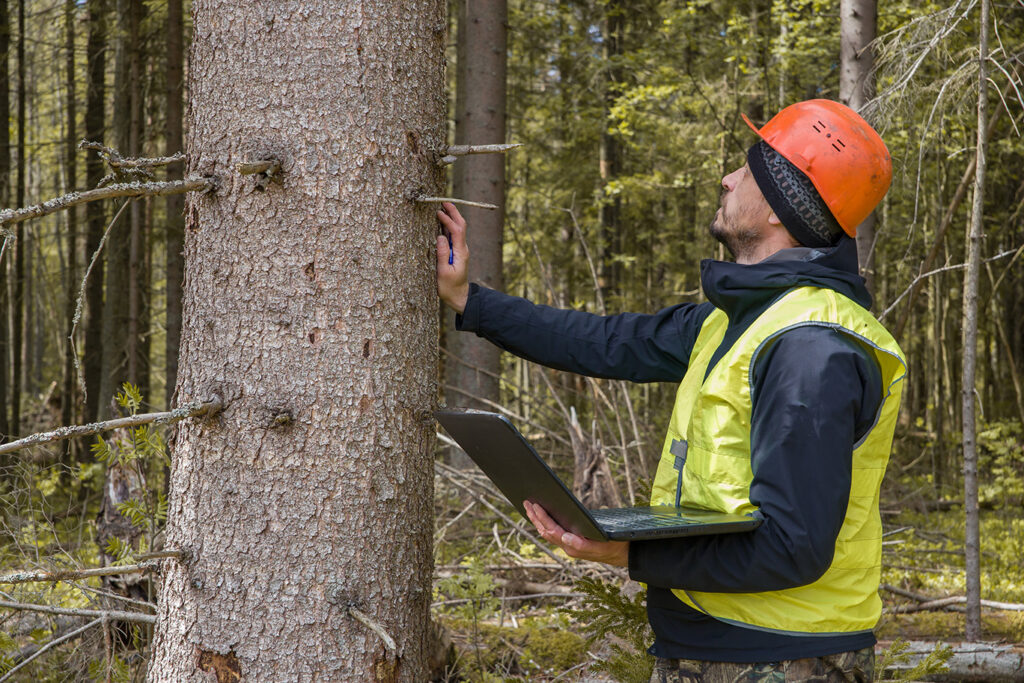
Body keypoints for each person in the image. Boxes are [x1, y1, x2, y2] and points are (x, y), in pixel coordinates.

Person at [436, 99, 906, 683]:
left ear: (783, 209)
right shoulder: (733, 321)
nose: (728, 178)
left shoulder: (812, 349)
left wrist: (629, 553)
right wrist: (468, 300)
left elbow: (793, 547)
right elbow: (602, 341)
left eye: (748, 170)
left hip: (783, 658)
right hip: (712, 641)